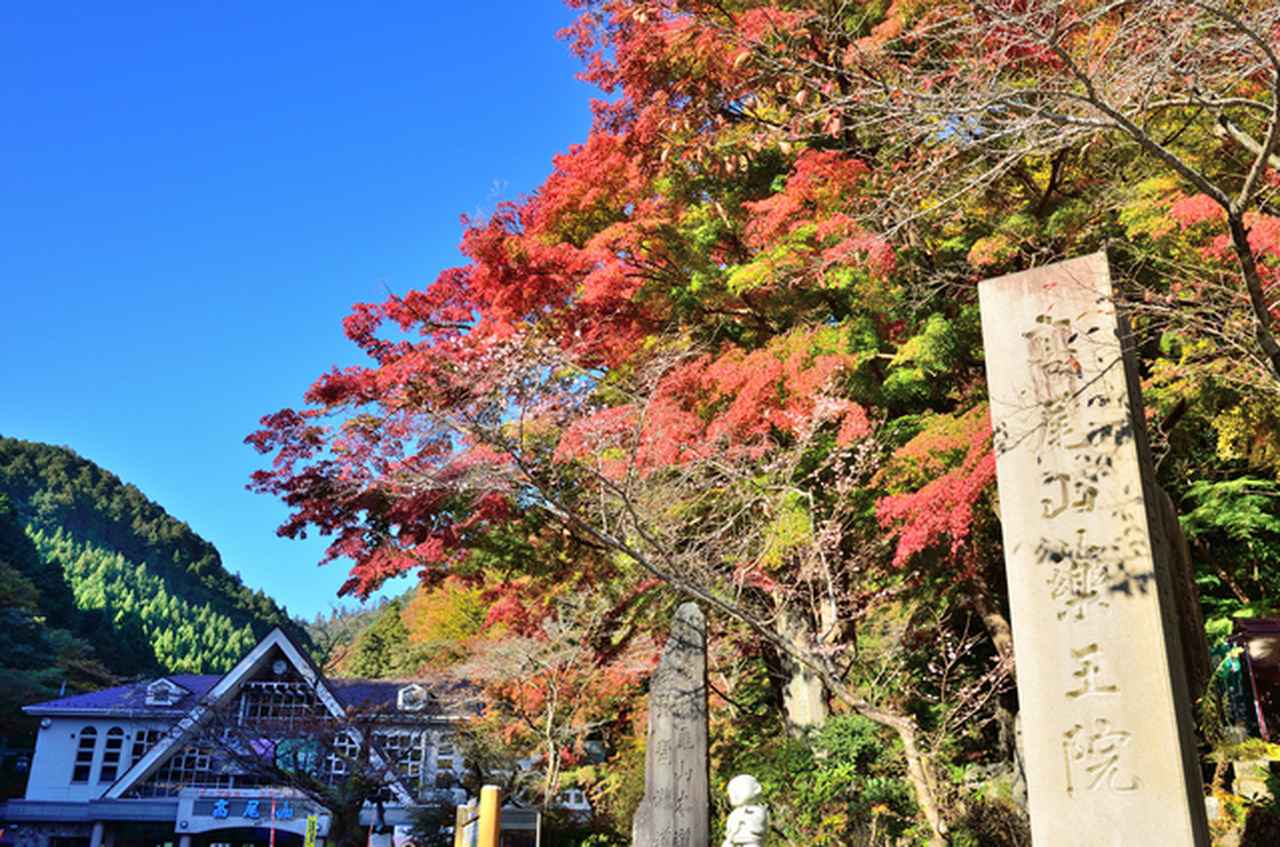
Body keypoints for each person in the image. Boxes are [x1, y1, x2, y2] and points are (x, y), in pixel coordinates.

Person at [722, 774, 768, 847]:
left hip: (751, 841)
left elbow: (756, 824)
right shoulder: (735, 812)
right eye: (731, 791)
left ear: (756, 789)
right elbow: (731, 828)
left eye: (738, 790)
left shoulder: (756, 810)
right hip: (735, 840)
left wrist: (742, 818)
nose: (734, 794)